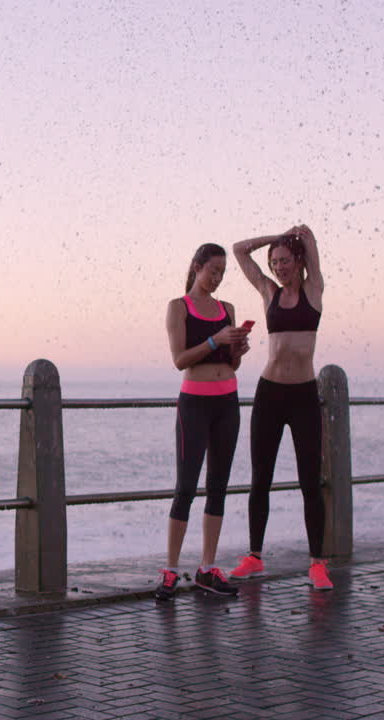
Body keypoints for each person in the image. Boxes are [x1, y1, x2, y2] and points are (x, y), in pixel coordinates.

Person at [229, 225, 334, 591]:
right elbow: (239, 249)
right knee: (261, 479)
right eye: (274, 262)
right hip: (269, 394)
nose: (278, 267)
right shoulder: (268, 292)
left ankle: (317, 563)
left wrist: (298, 237)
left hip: (303, 395)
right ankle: (254, 556)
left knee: (309, 482)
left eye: (284, 260)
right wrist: (275, 235)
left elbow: (309, 238)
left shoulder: (314, 289)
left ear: (299, 261)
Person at [155, 243, 252, 601]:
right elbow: (180, 359)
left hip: (227, 401)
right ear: (196, 267)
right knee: (186, 487)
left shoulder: (227, 309)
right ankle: (170, 568)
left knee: (218, 485)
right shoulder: (178, 307)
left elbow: (231, 363)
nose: (217, 278)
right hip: (194, 403)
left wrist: (236, 350)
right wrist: (215, 339)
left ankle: (207, 567)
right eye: (213, 271)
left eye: (222, 274)